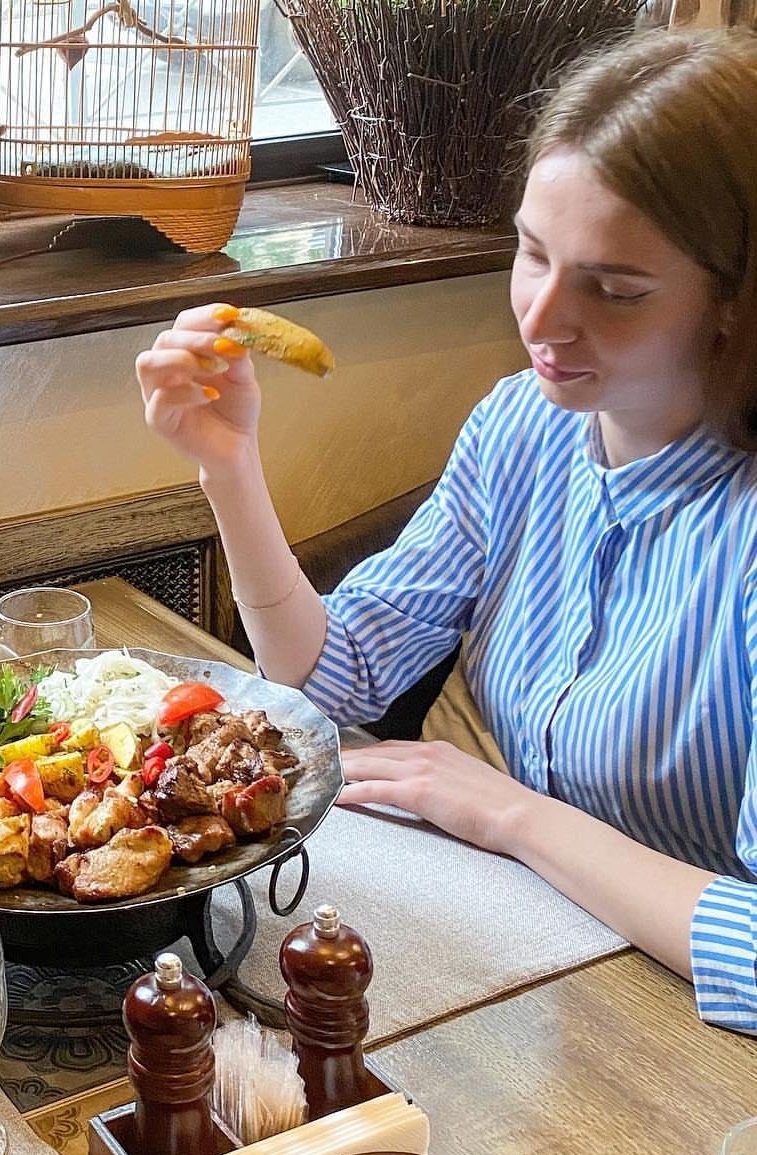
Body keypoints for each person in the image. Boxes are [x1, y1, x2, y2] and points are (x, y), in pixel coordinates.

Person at [136, 26, 757, 1035]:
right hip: (501, 953)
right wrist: (228, 465)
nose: (543, 318)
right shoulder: (521, 423)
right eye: (533, 253)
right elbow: (328, 679)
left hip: (671, 1034)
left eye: (615, 289)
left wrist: (510, 814)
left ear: (732, 304)